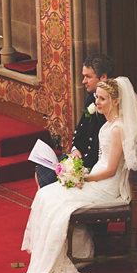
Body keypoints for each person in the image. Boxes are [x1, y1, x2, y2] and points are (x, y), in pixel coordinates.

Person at [19, 76, 137, 273]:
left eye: (103, 99)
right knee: (46, 194)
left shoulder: (117, 129)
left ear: (116, 101)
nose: (98, 103)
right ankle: (58, 253)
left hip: (107, 187)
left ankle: (67, 255)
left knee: (57, 201)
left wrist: (84, 177)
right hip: (96, 177)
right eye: (97, 98)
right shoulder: (108, 124)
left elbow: (111, 170)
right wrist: (78, 172)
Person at [35, 53, 115, 187]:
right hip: (79, 156)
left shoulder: (108, 107)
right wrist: (75, 149)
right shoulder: (92, 97)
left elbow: (99, 147)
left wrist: (77, 166)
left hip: (92, 164)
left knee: (47, 184)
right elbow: (80, 129)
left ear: (103, 77)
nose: (83, 81)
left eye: (88, 77)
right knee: (41, 171)